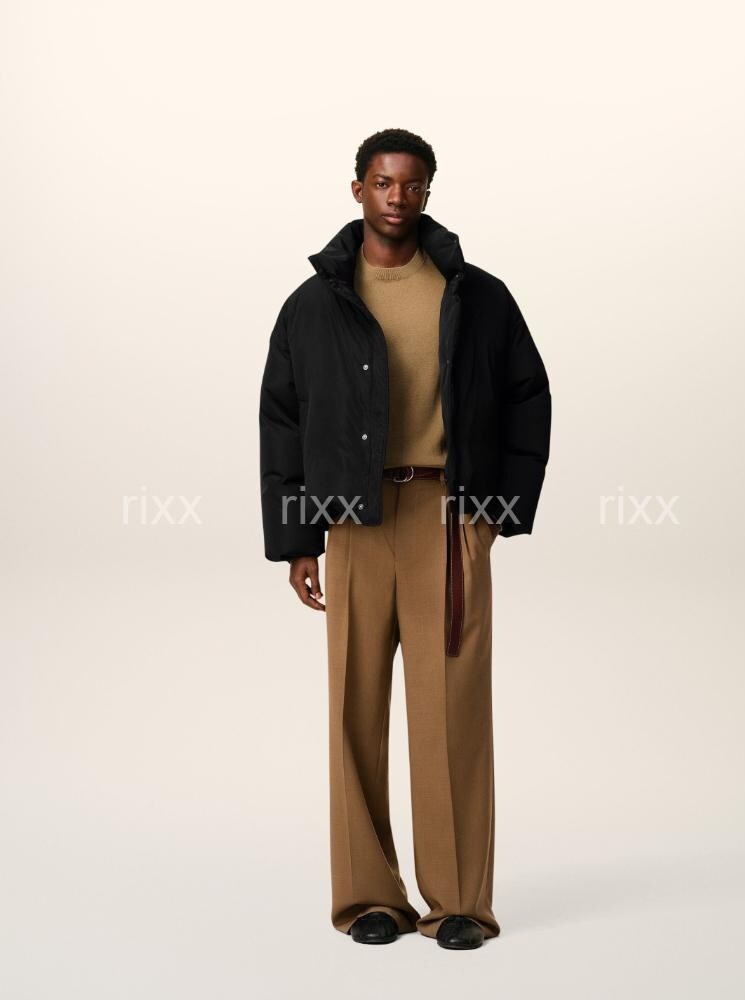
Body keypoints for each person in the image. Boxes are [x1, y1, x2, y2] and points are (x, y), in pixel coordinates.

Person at [259, 128, 551, 949]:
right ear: (358, 189)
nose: (397, 196)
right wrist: (299, 539)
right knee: (355, 709)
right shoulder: (314, 304)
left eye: (412, 184)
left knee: (451, 709)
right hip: (352, 523)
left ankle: (458, 903)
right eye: (383, 182)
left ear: (427, 191)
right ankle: (370, 898)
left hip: (448, 517)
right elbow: (283, 419)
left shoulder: (477, 295)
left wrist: (495, 511)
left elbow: (528, 396)